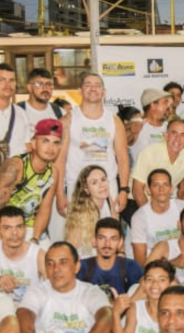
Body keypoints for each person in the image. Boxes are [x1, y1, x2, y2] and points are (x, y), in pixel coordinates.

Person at [53, 72, 130, 240]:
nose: (92, 88)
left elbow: (123, 158)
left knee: (109, 239)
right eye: (87, 85)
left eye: (97, 85)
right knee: (79, 241)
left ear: (104, 91)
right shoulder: (68, 120)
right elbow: (59, 160)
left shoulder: (114, 120)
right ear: (80, 91)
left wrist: (124, 190)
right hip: (78, 188)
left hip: (107, 188)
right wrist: (60, 193)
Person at [0, 118, 60, 244]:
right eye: (45, 141)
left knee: (44, 257)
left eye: (56, 143)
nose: (51, 147)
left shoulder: (53, 172)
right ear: (33, 143)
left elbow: (44, 210)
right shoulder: (14, 167)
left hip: (25, 223)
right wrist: (8, 234)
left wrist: (35, 238)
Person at [0, 206, 45, 305]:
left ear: (25, 229)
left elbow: (54, 289)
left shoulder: (39, 254)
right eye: (7, 228)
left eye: (19, 227)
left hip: (28, 312)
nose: (14, 233)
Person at [131, 118, 184, 206]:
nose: (177, 139)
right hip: (136, 201)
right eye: (174, 133)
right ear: (166, 136)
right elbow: (137, 191)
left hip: (163, 204)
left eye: (183, 135)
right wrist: (149, 215)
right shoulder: (149, 153)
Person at [130, 169, 184, 265]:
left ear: (172, 189)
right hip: (156, 270)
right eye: (156, 185)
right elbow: (140, 263)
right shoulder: (139, 217)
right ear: (148, 189)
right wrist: (173, 262)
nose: (161, 189)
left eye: (165, 184)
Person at [77, 217, 143, 299]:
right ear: (94, 241)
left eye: (113, 239)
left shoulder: (131, 267)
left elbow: (146, 287)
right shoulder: (81, 267)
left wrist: (125, 305)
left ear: (120, 242)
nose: (107, 244)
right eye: (101, 238)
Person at [65, 165, 117, 258]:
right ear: (86, 189)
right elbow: (70, 248)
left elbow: (117, 232)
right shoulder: (81, 213)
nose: (102, 185)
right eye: (94, 183)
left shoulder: (108, 200)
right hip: (84, 261)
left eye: (103, 179)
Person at [128, 88, 172, 164]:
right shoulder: (136, 124)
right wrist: (131, 131)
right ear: (153, 105)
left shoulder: (169, 127)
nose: (169, 107)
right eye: (165, 102)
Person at [17, 68, 64, 136]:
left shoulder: (60, 112)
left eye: (49, 84)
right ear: (29, 87)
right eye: (39, 84)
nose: (45, 88)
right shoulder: (17, 112)